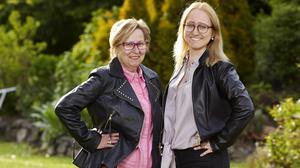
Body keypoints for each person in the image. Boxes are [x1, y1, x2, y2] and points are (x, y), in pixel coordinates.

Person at [55, 18, 163, 168]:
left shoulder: (152, 79)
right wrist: (92, 139)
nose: (136, 50)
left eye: (140, 43)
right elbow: (65, 107)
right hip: (114, 164)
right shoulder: (104, 78)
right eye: (129, 44)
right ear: (116, 46)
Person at [161, 2, 255, 168]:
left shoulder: (220, 68)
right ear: (183, 29)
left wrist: (218, 143)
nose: (195, 31)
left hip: (204, 158)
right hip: (176, 158)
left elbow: (245, 107)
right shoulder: (180, 68)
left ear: (213, 33)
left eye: (202, 26)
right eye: (190, 25)